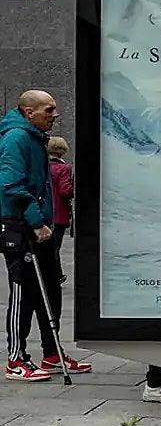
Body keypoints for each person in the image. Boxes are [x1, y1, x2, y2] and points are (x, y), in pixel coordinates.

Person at [0, 91, 91, 381]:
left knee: (50, 288)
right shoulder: (16, 138)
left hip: (41, 227)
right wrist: (36, 222)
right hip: (21, 227)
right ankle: (16, 359)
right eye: (49, 110)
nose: (55, 114)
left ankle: (51, 353)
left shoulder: (35, 137)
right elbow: (11, 186)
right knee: (23, 291)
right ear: (29, 112)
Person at [47, 136, 73, 285]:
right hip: (59, 214)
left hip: (46, 212)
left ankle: (54, 274)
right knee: (55, 247)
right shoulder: (63, 169)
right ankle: (55, 276)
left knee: (48, 247)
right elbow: (65, 191)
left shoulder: (44, 167)